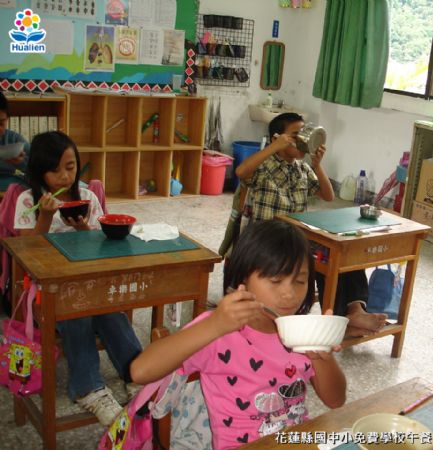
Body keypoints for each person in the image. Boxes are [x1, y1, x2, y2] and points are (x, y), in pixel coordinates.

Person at [131, 220, 346, 449]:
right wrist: (214, 325)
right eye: (276, 280)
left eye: (300, 281)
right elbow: (140, 371)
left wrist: (323, 358)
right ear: (244, 277)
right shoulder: (221, 330)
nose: (289, 293)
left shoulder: (304, 330)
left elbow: (336, 400)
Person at [13, 131, 142, 426]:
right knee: (77, 310)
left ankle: (136, 373)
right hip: (45, 290)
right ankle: (88, 388)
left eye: (70, 167)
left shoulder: (87, 197)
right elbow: (24, 252)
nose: (64, 176)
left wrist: (83, 228)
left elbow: (102, 247)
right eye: (55, 170)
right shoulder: (27, 200)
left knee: (111, 311)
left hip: (89, 281)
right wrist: (45, 217)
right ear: (39, 171)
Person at [234, 112, 387, 337]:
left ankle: (355, 310)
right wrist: (273, 147)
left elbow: (328, 195)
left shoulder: (302, 169)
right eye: (295, 135)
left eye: (305, 134)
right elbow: (240, 171)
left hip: (297, 238)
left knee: (343, 251)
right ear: (277, 138)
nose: (302, 141)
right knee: (326, 262)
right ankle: (339, 322)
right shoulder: (264, 165)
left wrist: (317, 165)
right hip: (268, 241)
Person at [0, 92, 29, 190]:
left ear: (7, 119)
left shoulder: (14, 139)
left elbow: (38, 167)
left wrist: (21, 163)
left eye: (1, 123)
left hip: (12, 186)